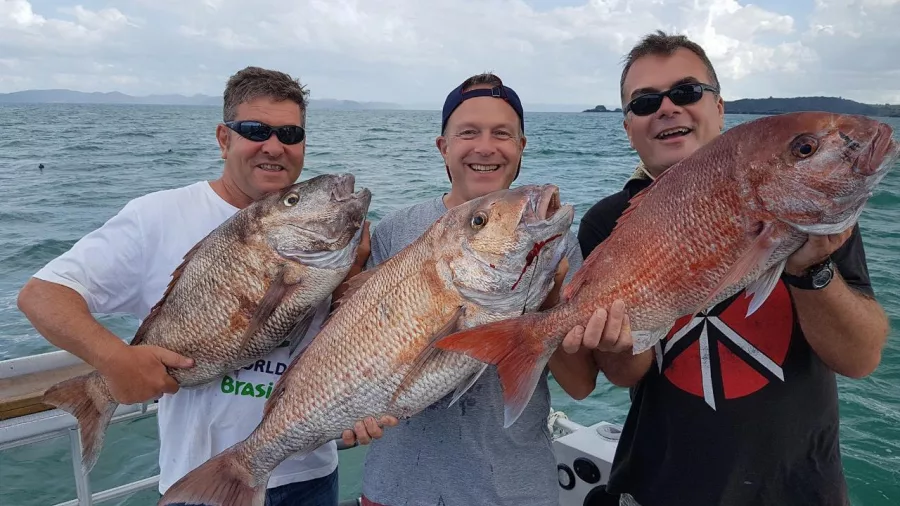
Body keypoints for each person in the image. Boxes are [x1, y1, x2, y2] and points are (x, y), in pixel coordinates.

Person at [16, 66, 385, 506]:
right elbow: (41, 294)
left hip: (308, 473)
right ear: (223, 138)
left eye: (290, 133)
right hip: (199, 482)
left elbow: (347, 340)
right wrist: (114, 360)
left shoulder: (339, 241)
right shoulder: (155, 217)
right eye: (254, 130)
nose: (274, 146)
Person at [562, 31, 890, 506]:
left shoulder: (809, 202)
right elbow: (626, 374)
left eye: (688, 91)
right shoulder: (608, 223)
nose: (667, 108)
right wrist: (615, 342)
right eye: (645, 101)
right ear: (628, 127)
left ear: (719, 107)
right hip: (659, 487)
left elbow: (861, 360)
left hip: (799, 490)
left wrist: (813, 268)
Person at [354, 72, 586, 506]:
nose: (485, 146)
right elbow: (359, 351)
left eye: (502, 133)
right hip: (398, 486)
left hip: (514, 489)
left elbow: (581, 386)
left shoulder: (557, 242)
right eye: (468, 133)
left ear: (521, 146)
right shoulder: (394, 232)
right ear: (444, 147)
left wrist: (551, 310)